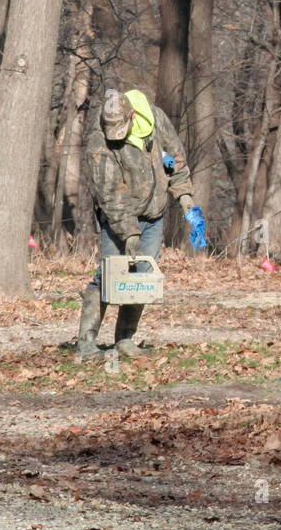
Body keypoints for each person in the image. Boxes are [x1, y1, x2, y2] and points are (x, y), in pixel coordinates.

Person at [73, 87, 194, 359]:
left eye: (121, 126)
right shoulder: (99, 139)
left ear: (133, 115)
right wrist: (129, 234)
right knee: (108, 274)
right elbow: (110, 192)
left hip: (154, 213)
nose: (115, 133)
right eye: (110, 127)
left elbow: (176, 159)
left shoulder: (155, 119)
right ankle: (86, 342)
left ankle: (125, 339)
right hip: (119, 218)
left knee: (143, 277)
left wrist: (184, 195)